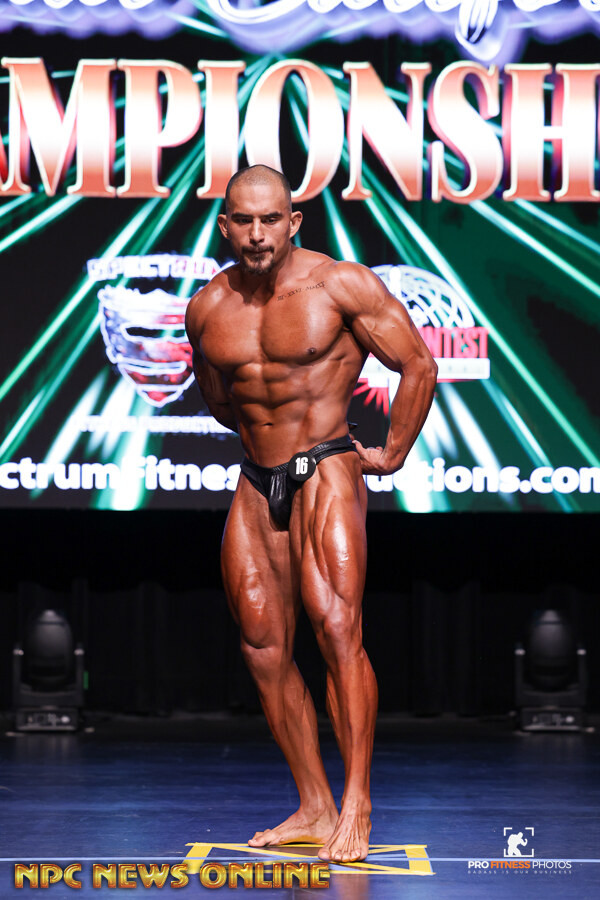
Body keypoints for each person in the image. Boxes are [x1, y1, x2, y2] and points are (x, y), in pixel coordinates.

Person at [185, 165, 437, 863]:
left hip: (325, 462)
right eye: (244, 221)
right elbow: (220, 399)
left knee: (335, 628)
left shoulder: (340, 285)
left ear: (293, 222)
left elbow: (418, 364)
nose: (258, 234)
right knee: (262, 646)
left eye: (271, 219)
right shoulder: (207, 308)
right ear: (225, 226)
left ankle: (356, 803)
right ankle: (314, 803)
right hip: (255, 477)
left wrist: (392, 452)